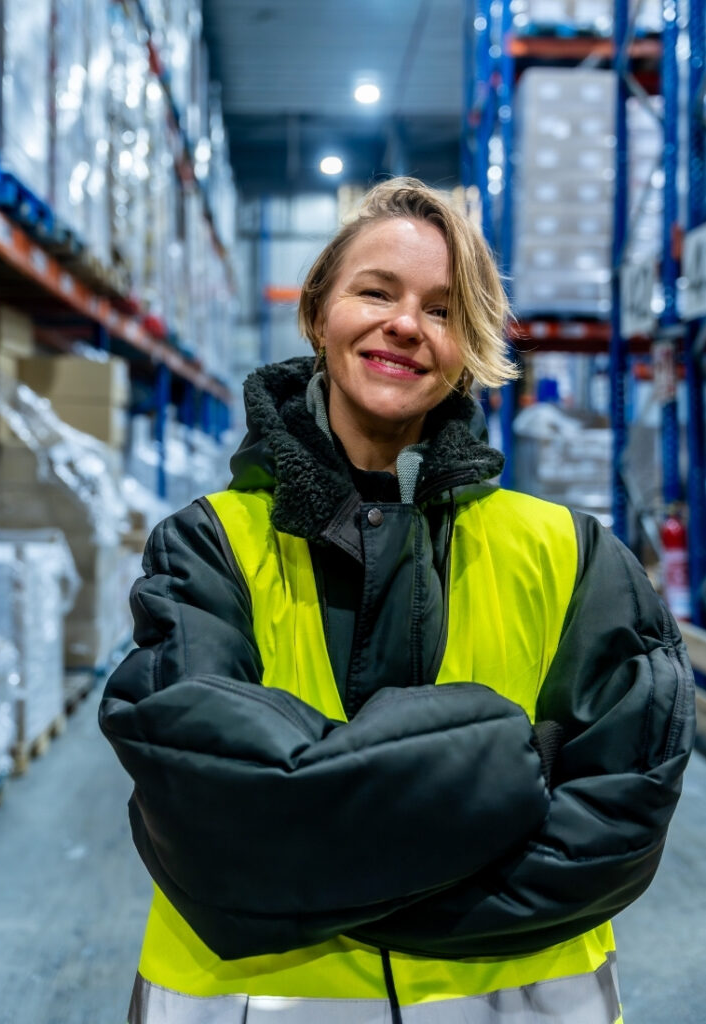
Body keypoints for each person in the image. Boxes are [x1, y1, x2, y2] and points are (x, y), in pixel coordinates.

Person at [100, 177, 695, 1024]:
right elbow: (208, 809)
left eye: (444, 311)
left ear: (470, 345)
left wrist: (317, 840)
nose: (406, 325)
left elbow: (620, 818)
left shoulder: (570, 553)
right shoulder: (208, 544)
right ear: (317, 313)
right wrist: (505, 764)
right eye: (375, 292)